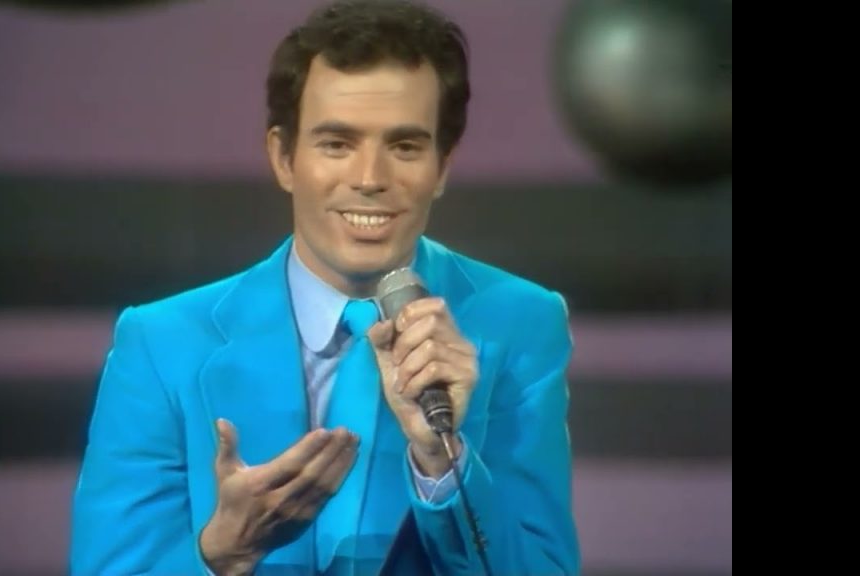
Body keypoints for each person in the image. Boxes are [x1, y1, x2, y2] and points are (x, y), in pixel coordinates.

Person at [69, 0, 580, 574]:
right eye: (337, 143)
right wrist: (220, 553)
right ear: (283, 158)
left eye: (405, 147)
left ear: (442, 167)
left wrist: (442, 463)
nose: (370, 179)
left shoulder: (519, 325)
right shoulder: (162, 343)